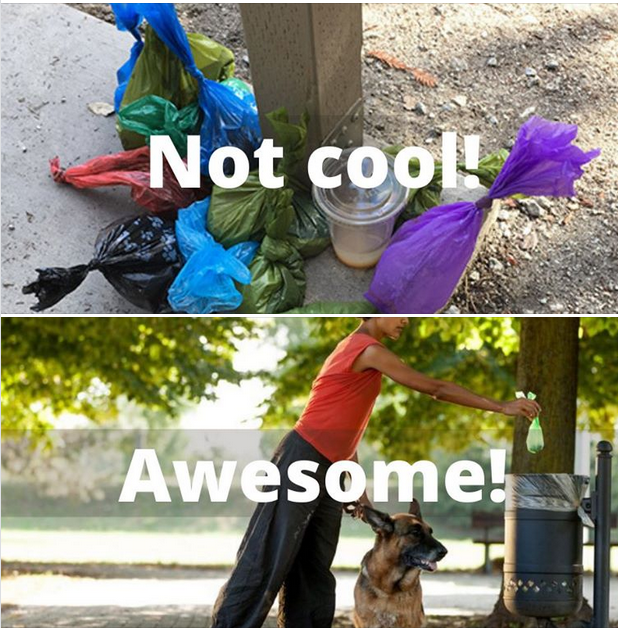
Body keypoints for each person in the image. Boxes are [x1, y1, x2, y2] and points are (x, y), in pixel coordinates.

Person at [211, 317, 541, 628]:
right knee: (270, 553)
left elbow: (344, 431)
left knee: (315, 564)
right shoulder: (366, 349)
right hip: (302, 457)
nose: (406, 321)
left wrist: (358, 491)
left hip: (332, 468)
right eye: (401, 315)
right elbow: (434, 387)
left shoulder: (363, 353)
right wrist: (501, 406)